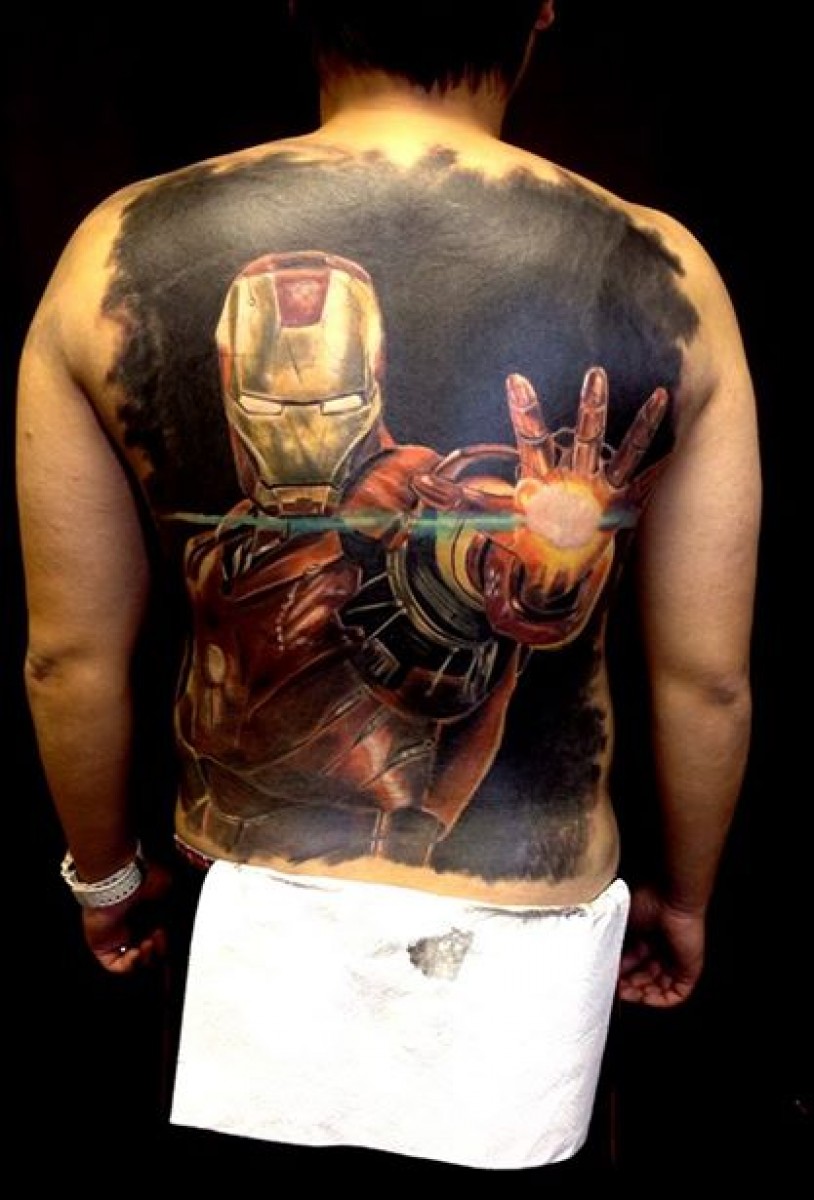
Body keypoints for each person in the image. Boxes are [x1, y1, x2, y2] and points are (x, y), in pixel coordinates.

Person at [15, 0, 760, 1180]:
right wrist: (685, 896)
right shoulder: (660, 270)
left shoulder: (117, 250)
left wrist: (105, 877)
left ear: (299, 0)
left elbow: (70, 660)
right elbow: (705, 680)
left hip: (246, 911)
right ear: (538, 9)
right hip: (524, 931)